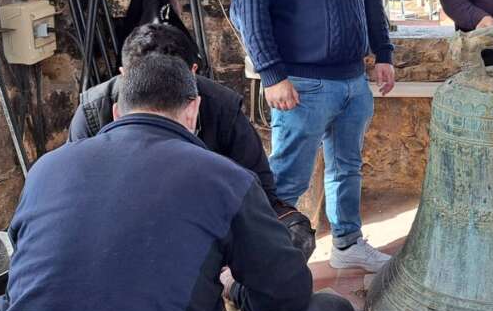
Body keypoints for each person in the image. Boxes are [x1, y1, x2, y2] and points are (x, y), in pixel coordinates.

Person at [0, 54, 355, 311]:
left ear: (116, 111)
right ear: (193, 110)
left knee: (1, 310)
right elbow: (288, 295)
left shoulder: (46, 169)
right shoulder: (224, 178)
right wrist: (233, 287)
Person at [230, 0, 395, 273]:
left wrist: (383, 53)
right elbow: (246, 7)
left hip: (353, 80)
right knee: (287, 180)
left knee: (348, 168)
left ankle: (347, 244)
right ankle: (263, 266)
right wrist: (272, 74)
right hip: (301, 85)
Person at [67, 22, 316, 260]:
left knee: (293, 235)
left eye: (172, 80)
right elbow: (79, 200)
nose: (159, 93)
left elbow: (259, 189)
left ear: (193, 74)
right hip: (124, 223)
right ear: (123, 77)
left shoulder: (221, 107)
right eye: (145, 79)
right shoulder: (93, 113)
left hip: (206, 217)